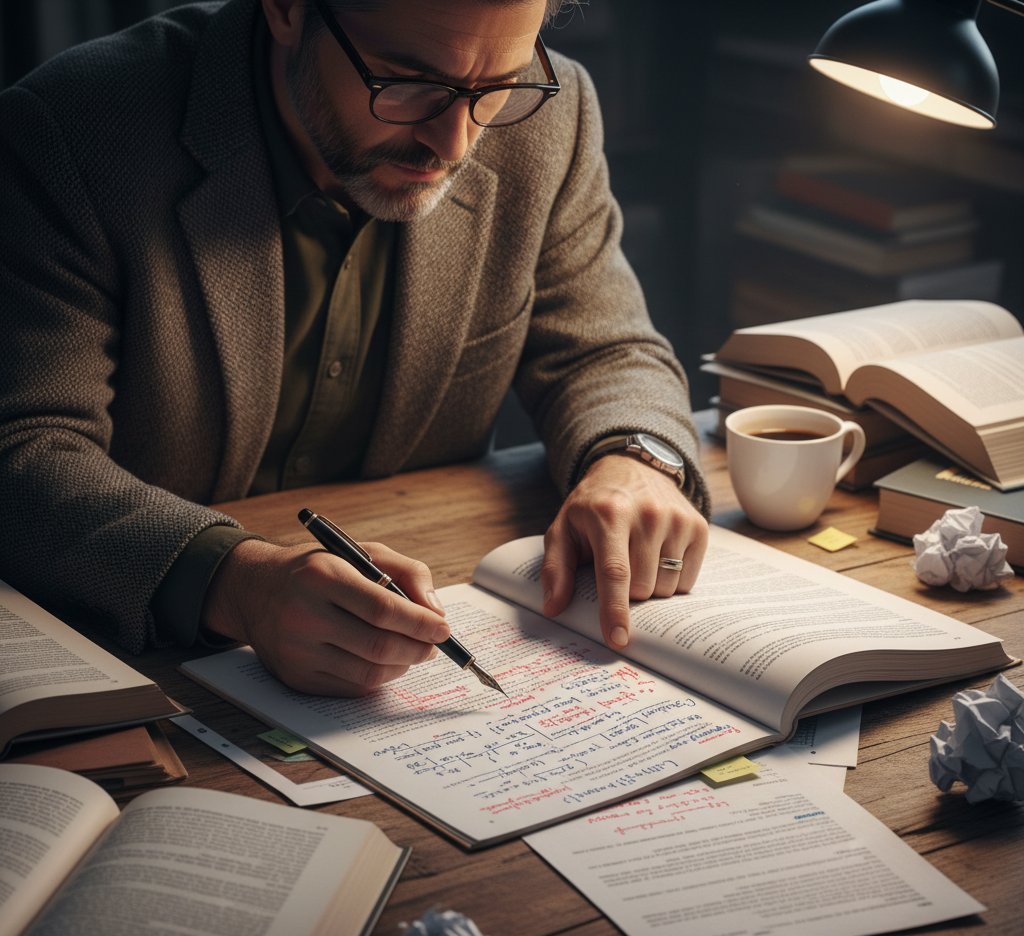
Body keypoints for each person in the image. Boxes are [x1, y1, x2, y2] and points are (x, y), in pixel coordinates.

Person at [0, 0, 710, 697]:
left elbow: (604, 347)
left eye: (495, 88)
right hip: (132, 673)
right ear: (286, 11)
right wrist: (231, 582)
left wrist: (635, 460)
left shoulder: (550, 115)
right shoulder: (71, 131)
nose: (455, 143)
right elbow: (24, 449)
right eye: (407, 82)